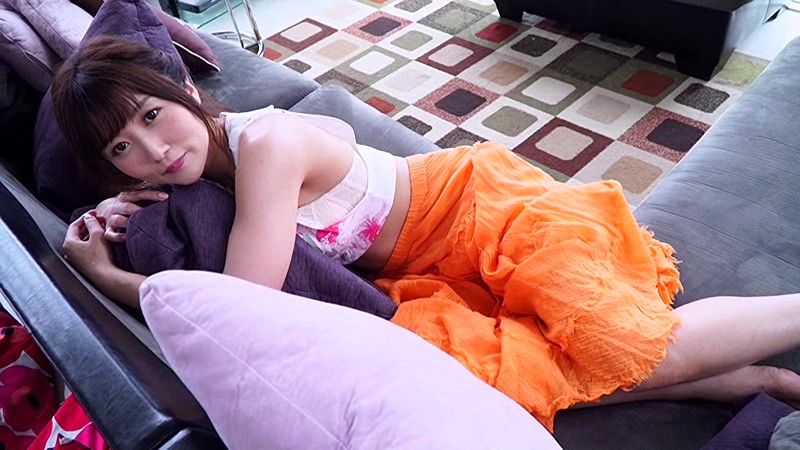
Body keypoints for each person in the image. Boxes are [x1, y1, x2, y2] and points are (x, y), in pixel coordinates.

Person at [53, 35, 800, 431]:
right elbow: (328, 142)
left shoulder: (266, 145)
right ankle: (749, 380)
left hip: (486, 211)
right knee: (503, 377)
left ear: (188, 90)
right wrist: (133, 204)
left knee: (617, 342)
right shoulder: (196, 176)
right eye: (122, 147)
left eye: (153, 115)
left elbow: (244, 301)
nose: (153, 150)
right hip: (428, 271)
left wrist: (110, 276)